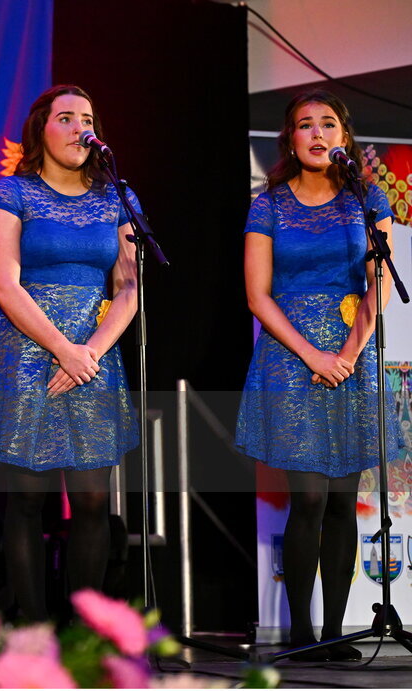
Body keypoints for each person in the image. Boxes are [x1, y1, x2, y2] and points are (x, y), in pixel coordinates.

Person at [235, 89, 404, 661]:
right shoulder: (270, 205)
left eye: (327, 124)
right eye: (304, 125)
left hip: (352, 352)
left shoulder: (367, 197)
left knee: (341, 500)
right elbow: (257, 295)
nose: (317, 133)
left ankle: (336, 630)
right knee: (307, 499)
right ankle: (301, 634)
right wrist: (313, 355)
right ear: (290, 139)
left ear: (345, 138)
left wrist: (353, 352)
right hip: (292, 358)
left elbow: (380, 279)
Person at [0, 85, 139, 621]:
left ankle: (82, 628)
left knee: (90, 500)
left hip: (93, 353)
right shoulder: (12, 193)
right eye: (66, 117)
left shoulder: (117, 198)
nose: (81, 127)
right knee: (29, 498)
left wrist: (91, 352)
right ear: (41, 129)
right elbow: (5, 285)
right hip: (29, 351)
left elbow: (129, 287)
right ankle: (31, 627)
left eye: (87, 117)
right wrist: (62, 349)